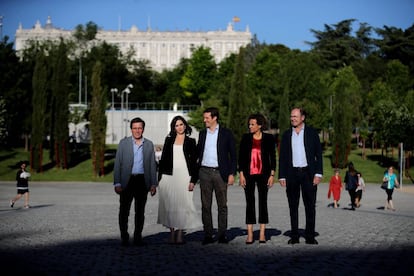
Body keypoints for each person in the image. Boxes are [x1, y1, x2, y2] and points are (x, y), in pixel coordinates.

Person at [278, 108, 323, 245]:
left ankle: (310, 236)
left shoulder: (312, 133)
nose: (293, 119)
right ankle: (295, 236)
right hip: (292, 174)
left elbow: (318, 155)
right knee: (293, 206)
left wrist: (318, 173)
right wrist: (282, 176)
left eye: (295, 116)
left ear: (302, 117)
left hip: (308, 174)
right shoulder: (286, 135)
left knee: (310, 206)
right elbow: (283, 157)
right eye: (291, 116)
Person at [113, 117, 158, 247]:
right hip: (127, 181)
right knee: (124, 211)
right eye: (134, 128)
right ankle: (124, 237)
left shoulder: (149, 144)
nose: (137, 131)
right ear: (131, 129)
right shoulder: (123, 143)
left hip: (142, 181)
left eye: (139, 128)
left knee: (140, 212)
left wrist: (153, 184)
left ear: (143, 129)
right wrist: (117, 183)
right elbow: (118, 164)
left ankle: (137, 237)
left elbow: (152, 165)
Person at [157, 115, 202, 244]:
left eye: (181, 124)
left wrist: (193, 180)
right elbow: (163, 160)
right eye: (176, 125)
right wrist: (159, 178)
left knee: (183, 205)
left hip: (184, 176)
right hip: (168, 176)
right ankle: (171, 234)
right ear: (174, 127)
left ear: (185, 125)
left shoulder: (191, 141)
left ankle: (180, 234)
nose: (179, 127)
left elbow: (194, 163)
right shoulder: (169, 140)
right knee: (170, 205)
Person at [197, 107, 237, 245]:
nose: (204, 120)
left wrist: (232, 173)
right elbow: (198, 152)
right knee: (205, 205)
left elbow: (233, 154)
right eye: (204, 117)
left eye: (207, 118)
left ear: (214, 118)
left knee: (222, 205)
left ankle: (222, 234)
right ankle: (208, 234)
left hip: (221, 173)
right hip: (204, 172)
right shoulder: (202, 134)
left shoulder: (226, 133)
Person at [238, 113, 276, 244]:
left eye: (252, 124)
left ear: (260, 125)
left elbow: (273, 157)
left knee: (263, 202)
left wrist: (272, 175)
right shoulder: (245, 138)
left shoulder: (269, 138)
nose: (250, 126)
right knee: (250, 203)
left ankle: (262, 233)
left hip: (264, 174)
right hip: (248, 174)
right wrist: (241, 174)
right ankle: (249, 234)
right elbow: (241, 158)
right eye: (249, 124)